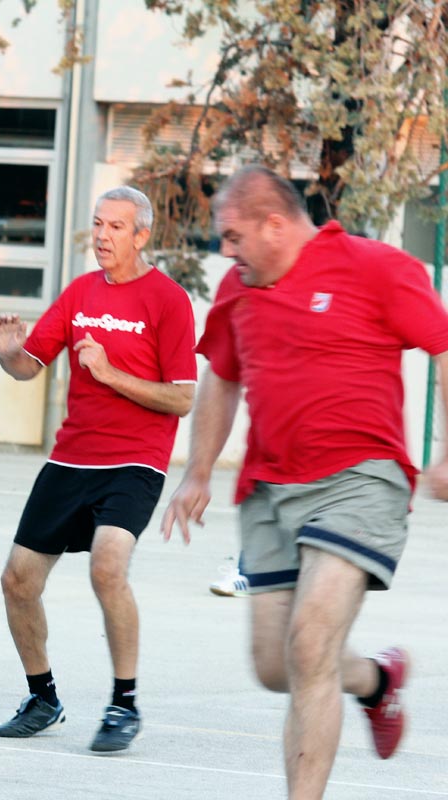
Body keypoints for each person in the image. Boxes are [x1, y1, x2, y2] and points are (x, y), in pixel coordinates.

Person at [162, 164, 448, 798]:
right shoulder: (240, 289)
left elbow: (443, 343)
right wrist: (197, 471)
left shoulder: (376, 267)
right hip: (270, 491)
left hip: (361, 480)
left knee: (310, 638)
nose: (225, 251)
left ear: (274, 223)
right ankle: (375, 681)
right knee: (274, 666)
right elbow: (222, 377)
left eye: (233, 236)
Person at [0, 186, 197, 752]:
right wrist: (10, 353)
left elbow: (182, 398)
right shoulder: (80, 293)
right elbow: (29, 367)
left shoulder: (169, 301)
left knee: (108, 565)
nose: (102, 236)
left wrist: (110, 375)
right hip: (71, 457)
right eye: (97, 224)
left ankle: (123, 703)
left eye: (115, 227)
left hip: (135, 461)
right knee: (17, 580)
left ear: (141, 235)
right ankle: (43, 698)